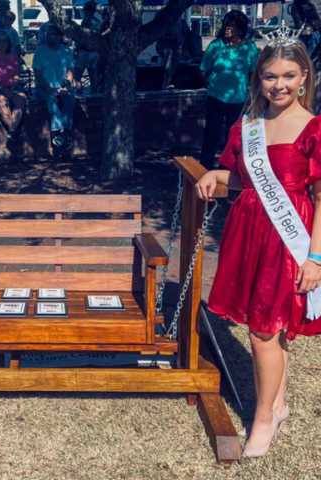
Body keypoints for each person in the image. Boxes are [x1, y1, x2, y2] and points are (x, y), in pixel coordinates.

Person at [196, 38, 321, 457]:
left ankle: (263, 417)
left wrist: (317, 257)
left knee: (262, 330)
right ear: (259, 78)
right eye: (270, 76)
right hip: (248, 232)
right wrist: (215, 175)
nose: (279, 84)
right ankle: (279, 405)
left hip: (290, 238)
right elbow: (244, 181)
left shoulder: (315, 129)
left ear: (304, 78)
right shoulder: (247, 126)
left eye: (289, 76)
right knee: (269, 324)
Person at [199, 10, 259, 170]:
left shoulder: (250, 47)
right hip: (216, 97)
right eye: (226, 25)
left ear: (240, 29)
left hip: (238, 100)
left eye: (231, 26)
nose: (227, 28)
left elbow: (253, 73)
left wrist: (251, 94)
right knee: (211, 134)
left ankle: (228, 169)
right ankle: (204, 169)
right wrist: (210, 85)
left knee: (232, 136)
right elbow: (204, 70)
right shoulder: (215, 45)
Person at [33, 24, 76, 151]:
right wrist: (50, 90)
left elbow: (70, 70)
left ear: (59, 37)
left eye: (53, 34)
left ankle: (65, 132)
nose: (49, 37)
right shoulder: (39, 51)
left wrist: (67, 85)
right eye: (48, 34)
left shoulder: (67, 51)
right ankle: (58, 133)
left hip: (62, 87)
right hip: (43, 87)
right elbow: (38, 76)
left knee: (71, 100)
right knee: (51, 101)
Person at [0, 29, 27, 142]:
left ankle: (12, 131)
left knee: (21, 99)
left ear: (8, 42)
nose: (2, 43)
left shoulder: (12, 56)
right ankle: (14, 131)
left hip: (11, 87)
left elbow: (16, 74)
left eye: (5, 40)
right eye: (0, 40)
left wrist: (12, 86)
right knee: (1, 100)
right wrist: (2, 88)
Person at [74, 1, 101, 95]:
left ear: (89, 10)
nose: (84, 12)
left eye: (84, 10)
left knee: (78, 76)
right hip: (95, 52)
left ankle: (79, 94)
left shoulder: (85, 21)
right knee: (93, 75)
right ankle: (94, 94)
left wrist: (76, 49)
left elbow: (81, 37)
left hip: (84, 51)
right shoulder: (99, 22)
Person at [155, 10, 182, 90]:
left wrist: (179, 44)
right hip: (163, 44)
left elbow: (179, 32)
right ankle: (167, 81)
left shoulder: (177, 15)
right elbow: (157, 31)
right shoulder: (160, 13)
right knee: (169, 53)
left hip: (175, 44)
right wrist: (168, 36)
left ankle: (168, 80)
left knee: (178, 56)